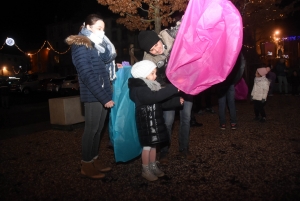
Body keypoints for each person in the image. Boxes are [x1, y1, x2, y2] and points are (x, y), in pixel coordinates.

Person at [65, 14, 116, 179]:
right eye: (98, 28)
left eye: (103, 29)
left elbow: (100, 69)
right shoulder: (81, 44)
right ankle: (86, 164)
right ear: (87, 26)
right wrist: (104, 97)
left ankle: (93, 160)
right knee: (91, 130)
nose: (102, 32)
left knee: (98, 130)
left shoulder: (95, 45)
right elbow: (86, 74)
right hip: (94, 95)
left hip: (101, 94)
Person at [138, 27, 199, 164]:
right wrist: (170, 92)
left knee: (186, 118)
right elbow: (151, 79)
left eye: (156, 45)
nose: (156, 50)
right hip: (168, 89)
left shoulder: (170, 35)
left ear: (159, 39)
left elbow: (188, 28)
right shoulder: (148, 59)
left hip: (186, 83)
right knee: (168, 121)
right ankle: (164, 152)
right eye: (152, 50)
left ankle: (184, 149)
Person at [128, 60, 183, 181]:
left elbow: (159, 103)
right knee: (147, 147)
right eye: (152, 73)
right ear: (143, 74)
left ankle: (153, 165)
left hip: (153, 120)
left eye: (155, 72)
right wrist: (173, 89)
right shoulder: (140, 88)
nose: (156, 76)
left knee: (154, 146)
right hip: (146, 122)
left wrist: (176, 101)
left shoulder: (150, 86)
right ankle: (145, 169)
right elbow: (155, 97)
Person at [216, 52, 245, 130]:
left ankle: (223, 124)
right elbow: (240, 66)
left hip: (221, 84)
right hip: (230, 83)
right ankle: (233, 123)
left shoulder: (220, 54)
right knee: (231, 103)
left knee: (222, 104)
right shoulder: (232, 54)